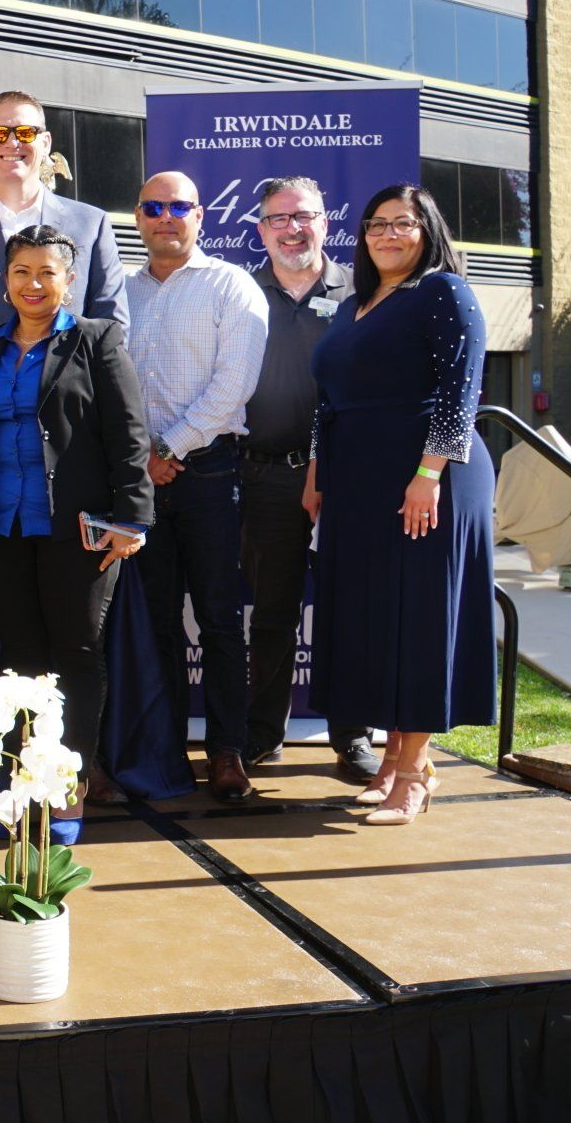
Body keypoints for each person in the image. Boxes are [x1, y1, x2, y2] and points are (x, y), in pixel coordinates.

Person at [0, 226, 152, 844]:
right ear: (5, 282)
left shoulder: (97, 340)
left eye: (47, 273)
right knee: (21, 660)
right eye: (21, 272)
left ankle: (67, 786)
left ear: (68, 280)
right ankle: (26, 781)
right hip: (0, 529)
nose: (33, 284)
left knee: (78, 654)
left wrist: (133, 518)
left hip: (79, 532)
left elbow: (129, 433)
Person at [306, 184, 494, 825]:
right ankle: (391, 759)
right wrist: (317, 473)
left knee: (417, 620)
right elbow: (328, 400)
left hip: (425, 479)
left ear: (428, 230)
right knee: (374, 620)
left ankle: (414, 773)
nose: (388, 234)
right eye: (376, 224)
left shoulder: (443, 292)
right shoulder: (353, 306)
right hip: (357, 480)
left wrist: (429, 474)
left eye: (403, 224)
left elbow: (459, 391)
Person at [124, 171, 268, 803]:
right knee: (153, 623)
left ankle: (227, 752)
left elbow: (234, 384)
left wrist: (169, 448)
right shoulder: (119, 291)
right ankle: (164, 749)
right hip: (135, 482)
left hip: (209, 472)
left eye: (177, 206)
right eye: (153, 207)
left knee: (217, 620)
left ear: (200, 215)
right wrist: (143, 459)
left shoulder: (231, 286)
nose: (166, 217)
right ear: (137, 217)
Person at [240, 178, 379, 782]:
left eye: (304, 216)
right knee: (271, 614)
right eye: (278, 219)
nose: (292, 228)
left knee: (350, 608)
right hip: (267, 476)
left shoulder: (363, 291)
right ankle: (263, 735)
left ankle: (350, 736)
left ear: (326, 222)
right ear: (261, 228)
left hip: (348, 478)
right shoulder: (238, 290)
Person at [0, 91, 128, 394]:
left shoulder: (91, 225)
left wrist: (75, 393)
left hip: (73, 417)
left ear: (45, 143)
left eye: (26, 132)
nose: (12, 142)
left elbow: (111, 325)